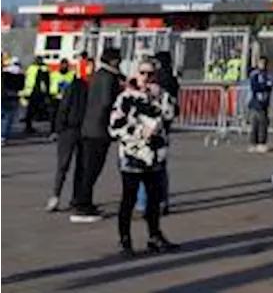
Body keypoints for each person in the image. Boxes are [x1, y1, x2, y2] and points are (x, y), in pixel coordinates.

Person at [108, 58, 179, 257]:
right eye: (142, 73)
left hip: (155, 155)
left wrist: (161, 98)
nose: (146, 78)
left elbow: (171, 115)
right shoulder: (125, 98)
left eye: (151, 74)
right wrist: (139, 132)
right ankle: (125, 240)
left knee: (154, 199)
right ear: (135, 74)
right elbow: (114, 127)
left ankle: (154, 236)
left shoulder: (161, 96)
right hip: (132, 155)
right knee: (128, 199)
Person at [70, 47, 124, 223]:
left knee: (86, 168)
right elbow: (106, 102)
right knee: (93, 169)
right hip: (99, 130)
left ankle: (82, 200)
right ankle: (83, 206)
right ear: (114, 61)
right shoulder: (109, 78)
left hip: (88, 127)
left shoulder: (97, 75)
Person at [138, 50, 181, 215]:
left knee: (146, 166)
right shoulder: (172, 80)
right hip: (164, 129)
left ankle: (144, 203)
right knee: (160, 168)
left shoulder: (158, 83)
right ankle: (162, 201)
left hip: (151, 128)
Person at [48, 58, 94, 212]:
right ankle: (65, 196)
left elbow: (63, 107)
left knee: (69, 165)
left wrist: (58, 128)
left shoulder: (84, 86)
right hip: (76, 129)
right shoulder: (81, 86)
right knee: (73, 165)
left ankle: (62, 196)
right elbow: (64, 107)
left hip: (75, 129)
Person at [247, 55, 273, 153]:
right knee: (255, 124)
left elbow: (272, 84)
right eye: (261, 63)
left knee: (263, 124)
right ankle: (253, 143)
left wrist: (266, 85)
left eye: (264, 63)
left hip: (264, 103)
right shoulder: (255, 74)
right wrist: (265, 85)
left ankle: (262, 143)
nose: (262, 65)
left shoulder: (269, 74)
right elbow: (255, 86)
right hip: (255, 103)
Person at [21, 56, 53, 135]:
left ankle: (30, 125)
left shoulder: (43, 68)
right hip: (32, 91)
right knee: (31, 110)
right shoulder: (33, 68)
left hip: (38, 92)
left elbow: (47, 81)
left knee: (36, 109)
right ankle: (28, 126)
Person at [1, 54, 23, 145]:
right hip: (13, 96)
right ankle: (3, 137)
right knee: (8, 118)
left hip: (3, 96)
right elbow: (21, 86)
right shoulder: (21, 73)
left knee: (2, 116)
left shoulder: (4, 72)